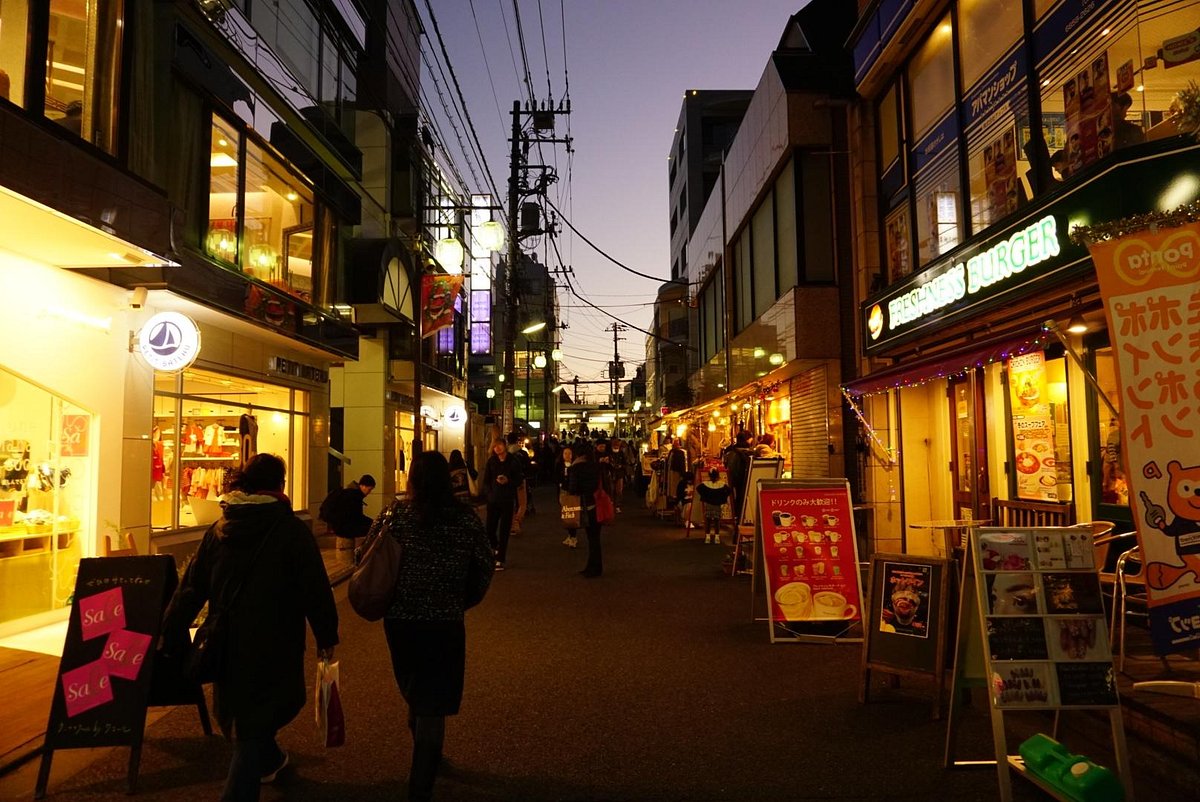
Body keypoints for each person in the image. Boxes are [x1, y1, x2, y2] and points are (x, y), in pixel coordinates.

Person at [162, 454, 338, 801]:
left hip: (226, 638)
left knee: (243, 713)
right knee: (259, 719)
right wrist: (326, 635)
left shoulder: (220, 529)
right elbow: (314, 588)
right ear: (279, 486)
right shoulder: (290, 530)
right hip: (277, 637)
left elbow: (192, 586)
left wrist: (170, 629)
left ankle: (270, 759)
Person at [377, 451, 494, 802]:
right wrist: (463, 599)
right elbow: (484, 565)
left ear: (412, 479)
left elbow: (368, 556)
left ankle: (424, 754)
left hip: (400, 619)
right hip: (444, 618)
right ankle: (422, 781)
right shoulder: (464, 519)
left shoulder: (395, 514)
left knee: (415, 687)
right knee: (434, 698)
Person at [481, 437, 523, 569]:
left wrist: (508, 481)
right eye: (494, 446)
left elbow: (519, 479)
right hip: (493, 500)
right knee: (490, 529)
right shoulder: (491, 461)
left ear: (504, 445)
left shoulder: (513, 461)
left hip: (507, 499)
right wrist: (489, 494)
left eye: (499, 445)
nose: (497, 448)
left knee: (504, 530)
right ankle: (495, 548)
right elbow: (486, 481)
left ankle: (500, 558)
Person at [567, 439, 604, 577]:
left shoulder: (576, 468)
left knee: (591, 538)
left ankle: (593, 568)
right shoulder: (595, 466)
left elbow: (572, 489)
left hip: (585, 505)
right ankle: (595, 566)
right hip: (597, 504)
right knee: (595, 538)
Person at [318, 474, 376, 556]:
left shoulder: (349, 492)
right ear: (362, 486)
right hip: (343, 528)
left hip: (339, 526)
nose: (369, 492)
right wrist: (373, 522)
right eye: (369, 489)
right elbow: (358, 517)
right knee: (372, 530)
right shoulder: (354, 496)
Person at [696, 468, 732, 545]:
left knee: (708, 521)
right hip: (717, 505)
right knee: (717, 521)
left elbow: (698, 489)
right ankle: (717, 537)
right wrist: (722, 497)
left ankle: (708, 537)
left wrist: (705, 497)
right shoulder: (722, 484)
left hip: (708, 504)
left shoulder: (705, 484)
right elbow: (729, 491)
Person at [724, 431, 754, 522]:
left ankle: (737, 516)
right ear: (747, 439)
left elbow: (727, 465)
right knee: (745, 497)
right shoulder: (748, 452)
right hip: (745, 478)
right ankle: (744, 517)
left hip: (734, 479)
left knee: (738, 497)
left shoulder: (731, 451)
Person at [558, 444, 578, 548]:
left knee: (572, 515)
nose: (567, 455)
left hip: (572, 493)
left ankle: (573, 537)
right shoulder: (559, 465)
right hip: (563, 492)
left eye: (569, 453)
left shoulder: (575, 466)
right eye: (565, 453)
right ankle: (570, 535)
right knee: (566, 515)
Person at [666, 438, 688, 510]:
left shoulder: (680, 453)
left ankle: (676, 501)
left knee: (676, 487)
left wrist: (683, 474)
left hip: (677, 472)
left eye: (677, 443)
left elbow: (682, 464)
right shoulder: (671, 452)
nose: (675, 444)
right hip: (671, 471)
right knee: (672, 487)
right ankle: (673, 501)